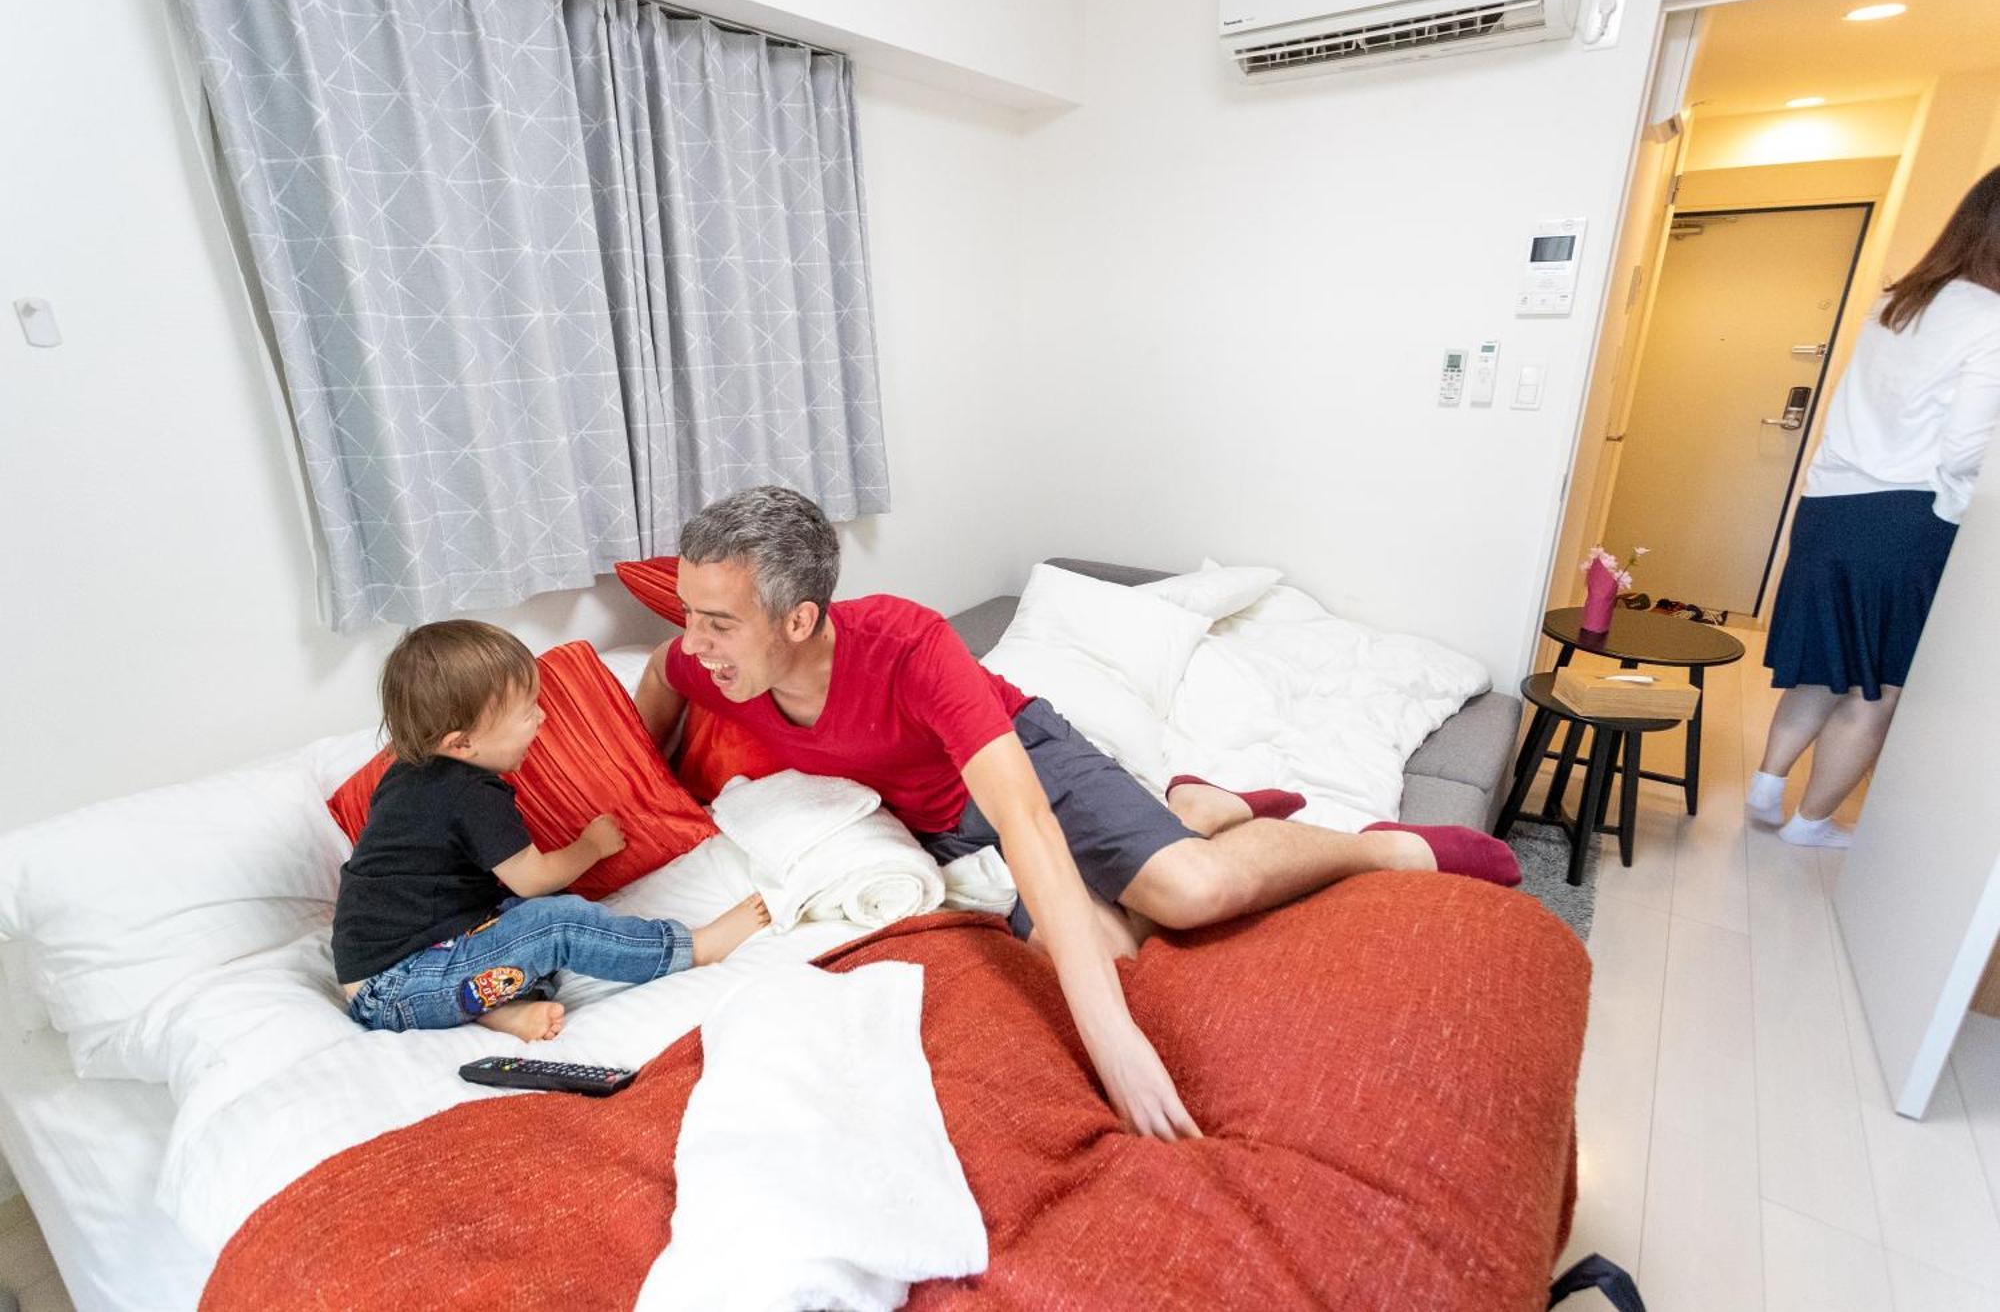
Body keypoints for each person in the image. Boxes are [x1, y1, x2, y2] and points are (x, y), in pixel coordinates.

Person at [635, 486, 1520, 1141]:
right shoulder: (705, 667)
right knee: (1115, 951)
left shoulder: (907, 642)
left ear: (798, 618)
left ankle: (1380, 849)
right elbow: (656, 692)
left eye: (717, 621)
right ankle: (1197, 804)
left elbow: (1025, 819)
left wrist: (1116, 1043)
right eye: (687, 615)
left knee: (1189, 894)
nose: (694, 642)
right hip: (941, 826)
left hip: (1023, 759)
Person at [333, 620, 769, 1041]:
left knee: (515, 924)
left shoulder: (408, 775)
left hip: (416, 965)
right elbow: (534, 880)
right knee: (555, 924)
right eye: (526, 714)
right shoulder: (469, 794)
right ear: (461, 743)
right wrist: (590, 848)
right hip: (398, 986)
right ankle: (690, 948)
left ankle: (501, 1013)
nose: (542, 718)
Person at [1750, 166, 2000, 848]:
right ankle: (1811, 824)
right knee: (1876, 688)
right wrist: (1952, 524)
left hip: (1830, 506)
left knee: (1825, 666)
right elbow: (1964, 452)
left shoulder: (1898, 303)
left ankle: (1767, 788)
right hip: (1904, 520)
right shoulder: (1993, 320)